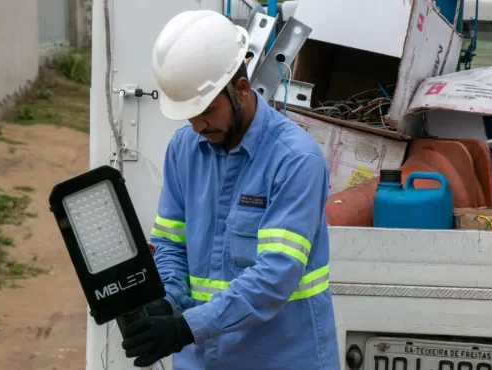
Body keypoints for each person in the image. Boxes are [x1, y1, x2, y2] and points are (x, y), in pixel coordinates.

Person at [121, 9, 340, 370]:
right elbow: (172, 243)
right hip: (201, 359)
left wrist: (185, 328)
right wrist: (169, 302)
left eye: (206, 110)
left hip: (282, 358)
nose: (197, 126)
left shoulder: (296, 161)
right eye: (187, 114)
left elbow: (275, 275)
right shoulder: (184, 150)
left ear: (241, 89)